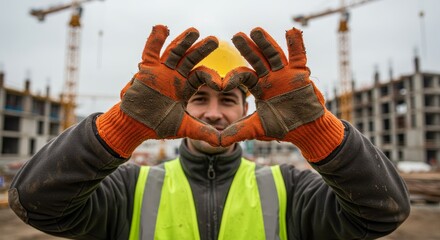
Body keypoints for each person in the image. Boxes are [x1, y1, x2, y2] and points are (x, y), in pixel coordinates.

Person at [9, 24, 410, 240]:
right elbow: (36, 203)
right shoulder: (129, 188)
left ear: (248, 108)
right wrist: (123, 126)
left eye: (229, 100)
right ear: (178, 108)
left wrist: (317, 129)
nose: (214, 114)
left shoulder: (291, 188)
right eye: (200, 99)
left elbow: (381, 214)